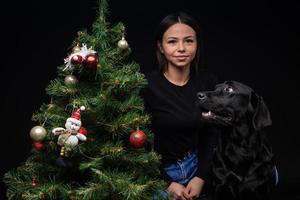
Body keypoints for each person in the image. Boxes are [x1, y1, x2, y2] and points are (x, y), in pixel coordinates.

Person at [140, 11, 220, 200]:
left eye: (189, 41)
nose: (182, 48)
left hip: (197, 166)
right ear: (161, 46)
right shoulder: (146, 86)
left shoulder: (208, 82)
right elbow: (139, 144)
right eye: (173, 41)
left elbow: (211, 135)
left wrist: (200, 177)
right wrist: (166, 182)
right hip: (161, 171)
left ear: (197, 44)